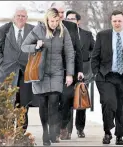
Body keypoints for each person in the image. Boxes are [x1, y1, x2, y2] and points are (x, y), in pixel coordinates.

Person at [21, 8, 75, 146]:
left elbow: (69, 53)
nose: (55, 24)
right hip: (40, 72)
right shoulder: (38, 30)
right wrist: (36, 46)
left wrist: (69, 74)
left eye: (57, 21)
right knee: (43, 104)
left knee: (54, 101)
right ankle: (45, 131)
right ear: (47, 19)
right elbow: (24, 47)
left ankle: (53, 130)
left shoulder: (63, 30)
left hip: (57, 72)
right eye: (52, 21)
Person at [91, 10, 123, 145]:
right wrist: (96, 72)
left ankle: (119, 135)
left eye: (119, 21)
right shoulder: (102, 35)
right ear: (111, 22)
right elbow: (94, 57)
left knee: (122, 108)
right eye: (114, 21)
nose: (117, 23)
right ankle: (107, 132)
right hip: (106, 76)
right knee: (108, 102)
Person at [0, 6, 35, 133]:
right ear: (14, 17)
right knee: (8, 104)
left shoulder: (33, 30)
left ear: (26, 18)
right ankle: (8, 132)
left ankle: (21, 134)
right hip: (7, 74)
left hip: (26, 72)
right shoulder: (3, 30)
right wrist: (2, 64)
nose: (21, 18)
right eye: (18, 16)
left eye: (23, 16)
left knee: (24, 104)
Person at [50, 2, 84, 140]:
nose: (61, 15)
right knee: (53, 100)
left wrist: (80, 70)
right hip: (52, 71)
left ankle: (63, 125)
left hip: (69, 70)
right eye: (59, 12)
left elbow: (78, 50)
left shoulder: (71, 26)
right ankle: (55, 130)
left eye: (63, 13)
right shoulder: (46, 26)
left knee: (66, 99)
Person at [65, 10, 95, 139]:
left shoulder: (87, 35)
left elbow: (95, 51)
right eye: (68, 19)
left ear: (78, 21)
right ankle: (67, 130)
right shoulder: (62, 34)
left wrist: (89, 66)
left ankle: (80, 128)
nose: (70, 21)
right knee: (68, 102)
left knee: (81, 101)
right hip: (67, 72)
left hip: (83, 73)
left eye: (73, 19)